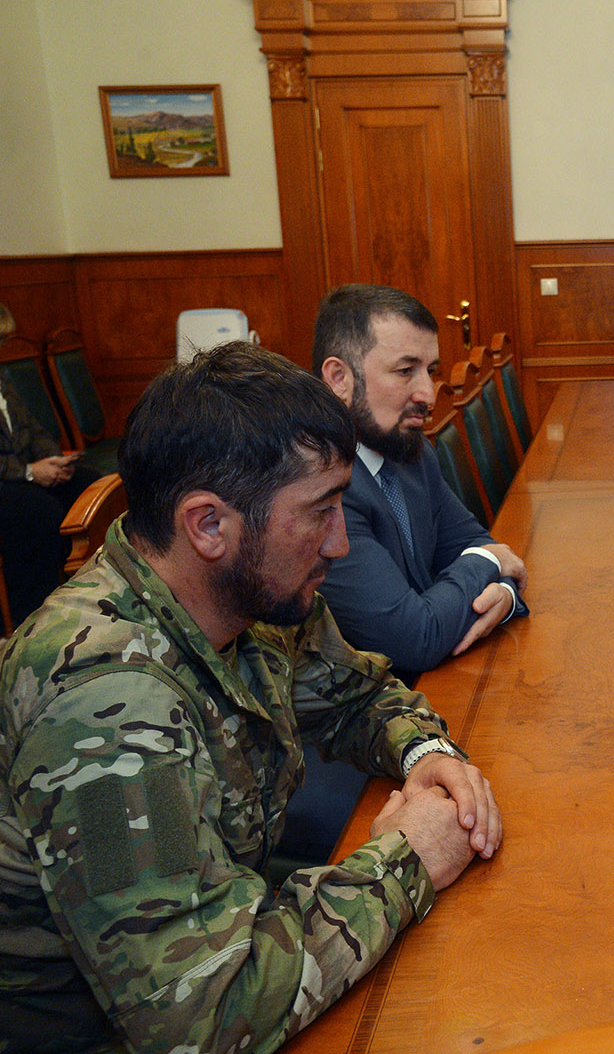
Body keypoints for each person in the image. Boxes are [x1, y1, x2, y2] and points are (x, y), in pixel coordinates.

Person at [0, 341, 501, 1052]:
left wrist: (424, 752)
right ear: (208, 525)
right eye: (320, 511)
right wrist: (407, 856)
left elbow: (357, 696)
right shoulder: (106, 709)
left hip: (234, 926)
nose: (340, 543)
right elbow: (201, 1015)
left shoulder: (253, 594)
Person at [312, 284, 527, 683]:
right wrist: (490, 564)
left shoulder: (412, 454)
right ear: (339, 378)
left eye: (431, 370)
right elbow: (413, 638)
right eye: (405, 371)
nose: (427, 393)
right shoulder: (320, 492)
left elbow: (475, 544)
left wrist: (506, 594)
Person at [0, 303, 101, 624]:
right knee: (39, 511)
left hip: (20, 473)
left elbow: (33, 428)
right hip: (7, 480)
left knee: (89, 484)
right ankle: (32, 616)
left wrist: (54, 459)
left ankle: (90, 593)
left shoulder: (2, 376)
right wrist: (30, 472)